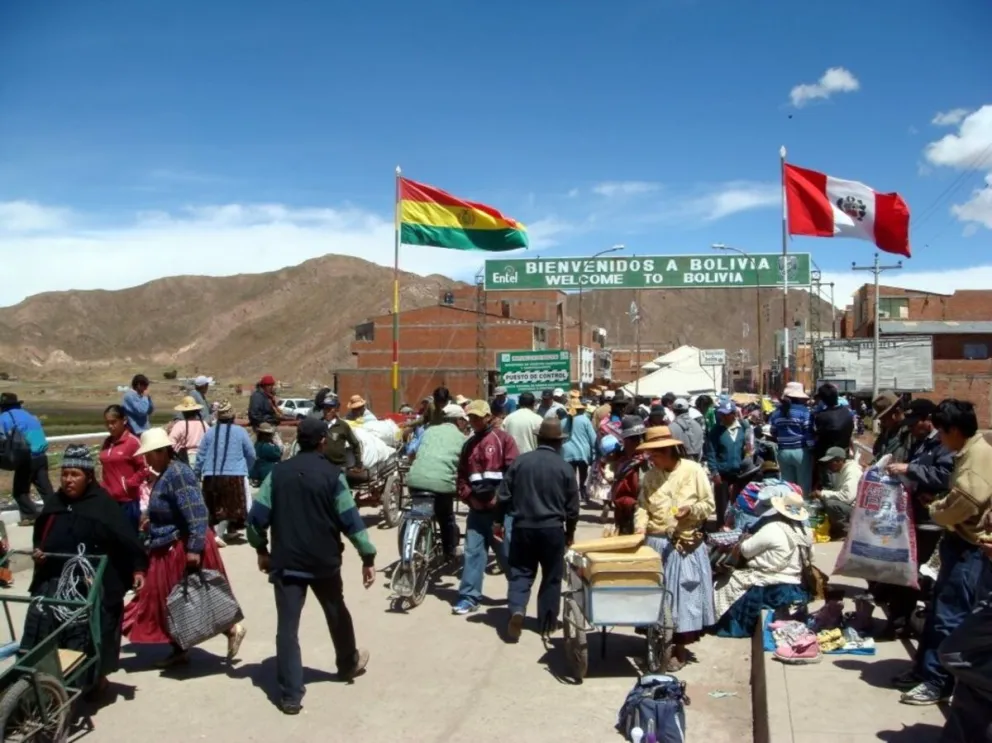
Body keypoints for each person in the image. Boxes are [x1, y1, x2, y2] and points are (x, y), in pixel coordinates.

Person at [246, 417, 375, 715]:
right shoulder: (333, 476)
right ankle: (347, 664)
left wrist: (261, 550)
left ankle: (291, 696)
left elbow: (256, 520)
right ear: (321, 442)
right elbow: (351, 521)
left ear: (298, 441)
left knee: (287, 628)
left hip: (286, 563)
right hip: (324, 563)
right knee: (336, 612)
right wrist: (367, 556)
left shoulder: (277, 475)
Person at [22, 445, 148, 695]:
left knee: (92, 631)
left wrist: (137, 569)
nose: (68, 480)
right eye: (65, 474)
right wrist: (39, 551)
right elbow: (41, 536)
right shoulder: (55, 503)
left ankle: (94, 679)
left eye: (75, 474)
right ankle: (43, 682)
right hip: (55, 579)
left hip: (94, 583)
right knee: (44, 625)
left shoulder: (104, 506)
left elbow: (127, 540)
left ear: (89, 477)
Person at [895, 399, 992, 706]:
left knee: (950, 616)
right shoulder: (968, 453)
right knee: (939, 610)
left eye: (942, 432)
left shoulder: (977, 458)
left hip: (970, 548)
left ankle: (938, 682)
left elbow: (965, 502)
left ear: (953, 430)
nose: (939, 439)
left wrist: (937, 510)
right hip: (958, 545)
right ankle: (926, 671)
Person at [123, 428, 246, 668]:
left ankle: (230, 628)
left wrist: (194, 549)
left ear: (161, 452)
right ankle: (179, 648)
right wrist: (152, 518)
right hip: (167, 543)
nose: (146, 460)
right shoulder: (166, 474)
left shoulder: (177, 474)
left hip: (182, 545)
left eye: (148, 454)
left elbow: (197, 513)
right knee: (171, 600)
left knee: (190, 597)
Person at [635, 426, 716, 670]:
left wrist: (690, 510)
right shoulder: (649, 477)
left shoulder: (694, 471)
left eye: (655, 454)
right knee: (656, 598)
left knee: (683, 598)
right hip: (656, 543)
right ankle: (657, 645)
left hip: (685, 544)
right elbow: (642, 506)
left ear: (668, 450)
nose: (651, 459)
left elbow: (708, 504)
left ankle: (678, 650)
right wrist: (640, 528)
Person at [497, 418, 579, 642]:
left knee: (521, 573)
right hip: (552, 530)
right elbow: (573, 507)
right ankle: (547, 622)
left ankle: (517, 609)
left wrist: (497, 522)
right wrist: (570, 533)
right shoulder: (564, 468)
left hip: (523, 527)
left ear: (539, 439)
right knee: (552, 577)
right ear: (559, 443)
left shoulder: (520, 462)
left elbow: (503, 496)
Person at [881, 398, 953, 635]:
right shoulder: (920, 443)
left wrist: (909, 469)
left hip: (931, 523)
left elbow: (944, 475)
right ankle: (900, 621)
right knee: (907, 571)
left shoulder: (943, 444)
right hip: (915, 517)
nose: (911, 428)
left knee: (920, 575)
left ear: (928, 420)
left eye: (915, 423)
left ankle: (914, 624)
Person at [713, 492, 812, 638]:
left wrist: (746, 540)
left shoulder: (773, 528)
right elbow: (811, 556)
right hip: (795, 583)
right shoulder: (805, 531)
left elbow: (746, 550)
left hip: (770, 584)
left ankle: (716, 622)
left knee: (722, 584)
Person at [452, 400, 519, 615]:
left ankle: (518, 594)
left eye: (477, 417)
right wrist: (468, 497)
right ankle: (469, 597)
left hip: (500, 511)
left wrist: (500, 500)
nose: (474, 421)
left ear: (488, 417)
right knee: (473, 553)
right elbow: (461, 476)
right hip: (476, 511)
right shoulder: (468, 445)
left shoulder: (504, 440)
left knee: (507, 553)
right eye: (470, 417)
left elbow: (513, 474)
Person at [405, 403, 468, 560]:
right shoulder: (463, 438)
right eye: (464, 421)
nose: (466, 424)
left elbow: (413, 453)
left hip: (415, 480)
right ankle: (449, 551)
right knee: (446, 517)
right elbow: (464, 464)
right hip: (442, 486)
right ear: (458, 420)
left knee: (418, 510)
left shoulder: (429, 431)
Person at [194, 401, 256, 547]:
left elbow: (201, 454)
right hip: (234, 475)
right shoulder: (240, 432)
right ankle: (218, 534)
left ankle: (230, 530)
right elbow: (251, 454)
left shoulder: (210, 432)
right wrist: (246, 468)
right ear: (232, 416)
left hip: (211, 474)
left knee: (214, 505)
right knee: (232, 506)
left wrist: (197, 472)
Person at [0, 392, 53, 524]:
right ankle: (55, 514)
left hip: (26, 458)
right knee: (46, 489)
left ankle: (31, 515)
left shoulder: (4, 418)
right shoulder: (29, 415)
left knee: (20, 492)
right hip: (41, 456)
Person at [100, 404, 150, 531]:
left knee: (128, 538)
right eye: (107, 423)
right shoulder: (107, 442)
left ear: (124, 420)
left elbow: (144, 467)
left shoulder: (132, 442)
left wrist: (130, 483)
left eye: (113, 422)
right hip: (109, 500)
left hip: (128, 501)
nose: (110, 426)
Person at [706, 399, 752, 528]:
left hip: (740, 473)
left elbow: (751, 447)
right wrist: (714, 472)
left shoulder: (743, 427)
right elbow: (711, 452)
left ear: (734, 414)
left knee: (739, 502)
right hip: (722, 473)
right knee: (722, 503)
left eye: (727, 414)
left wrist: (748, 452)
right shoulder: (716, 430)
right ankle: (721, 526)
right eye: (722, 414)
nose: (724, 417)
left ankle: (737, 526)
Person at [768, 382, 813, 497]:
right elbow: (808, 432)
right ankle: (803, 510)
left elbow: (773, 432)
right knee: (803, 488)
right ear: (799, 397)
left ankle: (788, 512)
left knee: (787, 487)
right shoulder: (804, 411)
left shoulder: (776, 413)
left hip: (783, 452)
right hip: (801, 452)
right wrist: (812, 448)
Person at [609, 415, 648, 534]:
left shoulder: (652, 460)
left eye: (641, 438)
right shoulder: (624, 464)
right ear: (625, 441)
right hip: (629, 517)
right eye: (633, 439)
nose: (639, 442)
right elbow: (619, 495)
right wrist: (633, 504)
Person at [813, 447, 863, 535]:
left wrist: (823, 493)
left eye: (830, 462)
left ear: (840, 461)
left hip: (856, 509)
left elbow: (847, 497)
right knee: (823, 501)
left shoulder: (852, 471)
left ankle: (847, 532)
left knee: (831, 504)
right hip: (848, 506)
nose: (828, 465)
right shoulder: (840, 471)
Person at [561, 396, 596, 502]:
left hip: (567, 452)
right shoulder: (585, 420)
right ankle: (582, 491)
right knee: (583, 474)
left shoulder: (563, 421)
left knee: (571, 476)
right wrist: (595, 452)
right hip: (582, 452)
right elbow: (593, 438)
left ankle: (571, 494)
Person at [811, 383, 854, 463]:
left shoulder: (822, 416)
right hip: (844, 455)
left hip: (828, 458)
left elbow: (819, 437)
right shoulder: (847, 412)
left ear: (822, 400)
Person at [318, 396, 363, 468]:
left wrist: (358, 463)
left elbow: (355, 444)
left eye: (329, 408)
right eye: (325, 408)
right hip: (320, 465)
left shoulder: (343, 426)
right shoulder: (318, 425)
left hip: (338, 466)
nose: (327, 411)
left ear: (336, 409)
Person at [169, 396, 209, 467]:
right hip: (203, 457)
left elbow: (171, 443)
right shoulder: (204, 424)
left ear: (184, 412)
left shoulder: (180, 425)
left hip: (186, 459)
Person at [871, 390, 909, 463]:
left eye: (884, 419)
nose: (882, 423)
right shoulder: (886, 433)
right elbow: (877, 454)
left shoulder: (910, 433)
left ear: (895, 413)